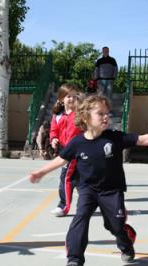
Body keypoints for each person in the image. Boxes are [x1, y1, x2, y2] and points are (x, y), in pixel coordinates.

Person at [29, 95, 148, 266]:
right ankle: (74, 259)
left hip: (112, 190)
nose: (106, 117)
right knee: (80, 218)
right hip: (87, 189)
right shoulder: (77, 143)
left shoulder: (114, 137)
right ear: (85, 117)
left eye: (107, 113)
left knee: (115, 226)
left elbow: (144, 139)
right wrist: (41, 172)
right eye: (100, 114)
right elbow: (61, 159)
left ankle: (126, 243)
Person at [49, 84, 82, 217]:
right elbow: (53, 130)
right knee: (81, 181)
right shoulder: (57, 116)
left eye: (74, 96)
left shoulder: (80, 115)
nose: (72, 99)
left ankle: (63, 206)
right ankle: (95, 202)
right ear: (62, 99)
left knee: (66, 178)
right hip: (64, 151)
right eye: (69, 96)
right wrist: (53, 139)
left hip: (76, 152)